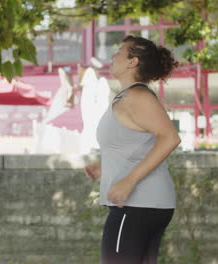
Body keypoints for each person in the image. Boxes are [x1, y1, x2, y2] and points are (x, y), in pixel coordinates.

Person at [84, 35, 181, 264]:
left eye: (120, 51)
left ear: (132, 62)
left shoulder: (136, 96)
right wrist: (104, 166)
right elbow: (133, 144)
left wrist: (129, 181)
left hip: (137, 204)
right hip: (143, 205)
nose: (113, 55)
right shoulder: (126, 97)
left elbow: (170, 138)